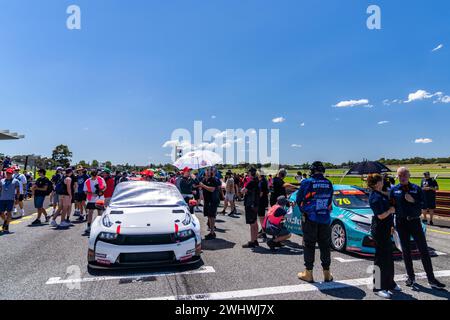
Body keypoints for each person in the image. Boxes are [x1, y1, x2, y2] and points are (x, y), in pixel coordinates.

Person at [390, 167, 445, 289]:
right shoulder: (394, 190)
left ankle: (431, 279)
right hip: (401, 223)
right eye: (400, 175)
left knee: (423, 250)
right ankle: (411, 277)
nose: (403, 177)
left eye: (405, 174)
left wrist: (413, 200)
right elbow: (391, 208)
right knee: (406, 251)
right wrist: (391, 225)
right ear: (397, 177)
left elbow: (423, 205)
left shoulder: (416, 188)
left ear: (409, 175)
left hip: (415, 222)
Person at [296, 161, 334, 283]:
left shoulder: (306, 182)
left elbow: (298, 200)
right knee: (325, 245)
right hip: (324, 218)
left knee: (309, 244)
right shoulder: (328, 183)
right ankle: (327, 273)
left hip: (310, 218)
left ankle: (308, 273)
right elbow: (329, 202)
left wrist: (304, 211)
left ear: (311, 171)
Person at [367, 174, 401, 299]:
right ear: (376, 183)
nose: (383, 182)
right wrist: (390, 211)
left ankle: (390, 283)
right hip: (379, 230)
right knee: (380, 259)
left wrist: (391, 225)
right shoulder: (374, 197)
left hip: (386, 229)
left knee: (389, 258)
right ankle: (378, 287)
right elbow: (380, 215)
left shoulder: (381, 194)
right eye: (381, 180)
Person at [199, 167, 221, 240]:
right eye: (207, 170)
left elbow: (212, 189)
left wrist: (203, 186)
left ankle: (212, 232)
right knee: (209, 216)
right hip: (207, 201)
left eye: (209, 170)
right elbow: (201, 188)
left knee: (212, 216)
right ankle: (211, 232)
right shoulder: (204, 179)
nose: (208, 172)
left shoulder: (213, 179)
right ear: (204, 171)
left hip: (212, 201)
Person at [242, 167, 260, 248]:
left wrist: (243, 190)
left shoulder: (252, 182)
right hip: (255, 204)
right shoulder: (257, 181)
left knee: (252, 224)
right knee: (255, 223)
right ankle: (255, 240)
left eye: (248, 173)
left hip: (250, 204)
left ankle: (252, 241)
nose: (247, 174)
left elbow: (243, 191)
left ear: (251, 173)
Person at [83, 169, 106, 235]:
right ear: (91, 175)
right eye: (93, 176)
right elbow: (85, 191)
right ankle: (89, 227)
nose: (94, 177)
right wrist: (92, 193)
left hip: (100, 199)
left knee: (100, 212)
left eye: (95, 176)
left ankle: (100, 227)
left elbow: (105, 186)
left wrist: (101, 191)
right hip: (91, 199)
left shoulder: (101, 179)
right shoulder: (87, 181)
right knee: (90, 213)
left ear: (97, 175)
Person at [0, 168, 20, 233]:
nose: (8, 174)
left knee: (9, 213)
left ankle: (6, 227)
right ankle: (6, 221)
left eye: (10, 173)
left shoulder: (16, 181)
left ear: (12, 174)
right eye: (7, 173)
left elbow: (18, 191)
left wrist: (17, 199)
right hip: (2, 199)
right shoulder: (2, 181)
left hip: (10, 199)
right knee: (1, 213)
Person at [257, 170, 269, 239]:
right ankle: (263, 230)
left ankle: (263, 232)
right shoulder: (265, 181)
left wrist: (256, 199)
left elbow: (261, 193)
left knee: (261, 217)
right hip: (264, 200)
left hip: (261, 201)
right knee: (262, 217)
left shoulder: (261, 182)